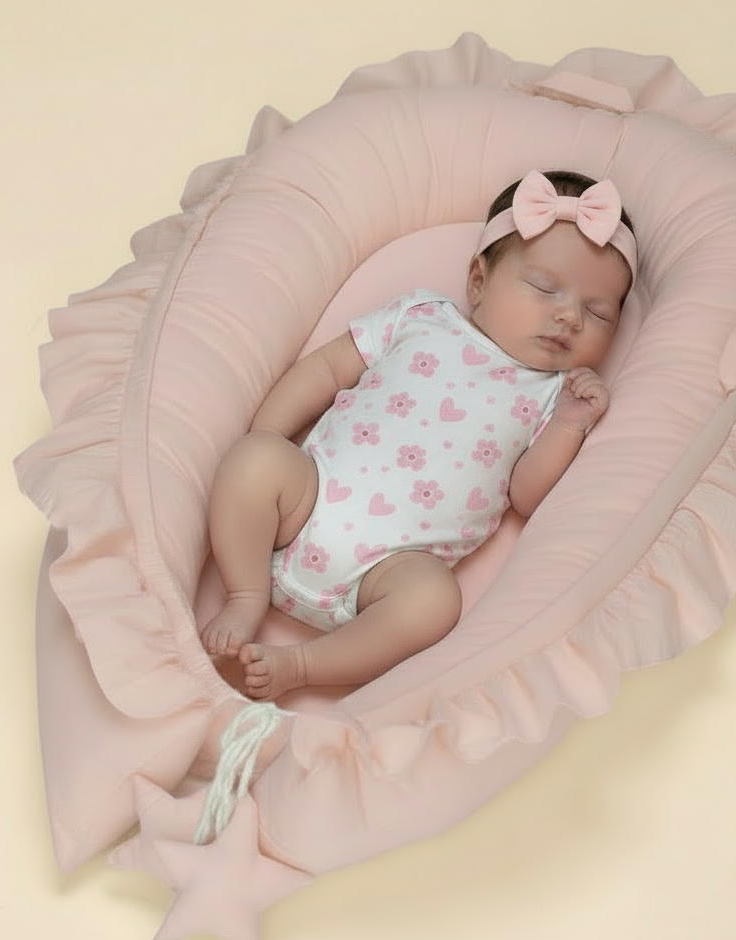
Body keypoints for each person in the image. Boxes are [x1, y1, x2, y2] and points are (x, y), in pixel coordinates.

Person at [201, 169, 637, 701]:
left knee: (435, 601)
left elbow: (526, 497)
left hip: (387, 575)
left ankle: (302, 666)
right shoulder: (422, 316)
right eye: (545, 288)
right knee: (255, 460)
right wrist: (266, 438)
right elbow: (326, 371)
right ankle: (245, 593)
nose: (569, 316)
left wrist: (570, 422)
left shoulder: (552, 394)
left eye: (598, 313)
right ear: (478, 281)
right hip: (303, 505)